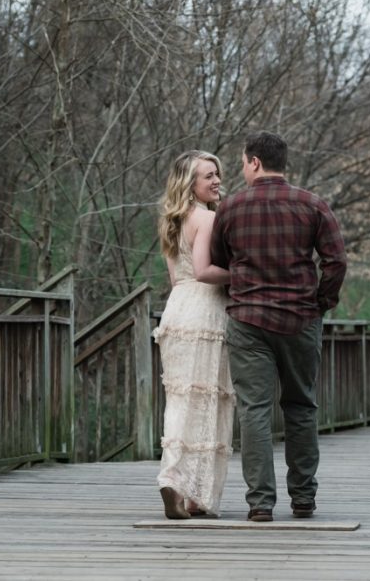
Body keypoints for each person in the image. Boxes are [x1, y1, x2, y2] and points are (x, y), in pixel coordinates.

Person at [211, 131, 347, 522]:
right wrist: (321, 303)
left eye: (242, 161)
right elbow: (336, 262)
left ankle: (260, 504)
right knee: (301, 405)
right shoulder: (313, 205)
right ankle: (303, 498)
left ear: (254, 162)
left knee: (254, 410)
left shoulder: (231, 207)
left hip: (248, 319)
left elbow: (222, 262)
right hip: (300, 318)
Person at [154, 150, 237, 519]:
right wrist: (244, 274)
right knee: (208, 401)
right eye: (208, 176)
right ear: (191, 184)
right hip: (204, 310)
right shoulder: (206, 217)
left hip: (177, 308)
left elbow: (178, 277)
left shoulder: (171, 220)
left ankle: (176, 480)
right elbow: (204, 272)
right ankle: (194, 492)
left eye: (217, 173)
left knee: (181, 400)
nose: (217, 180)